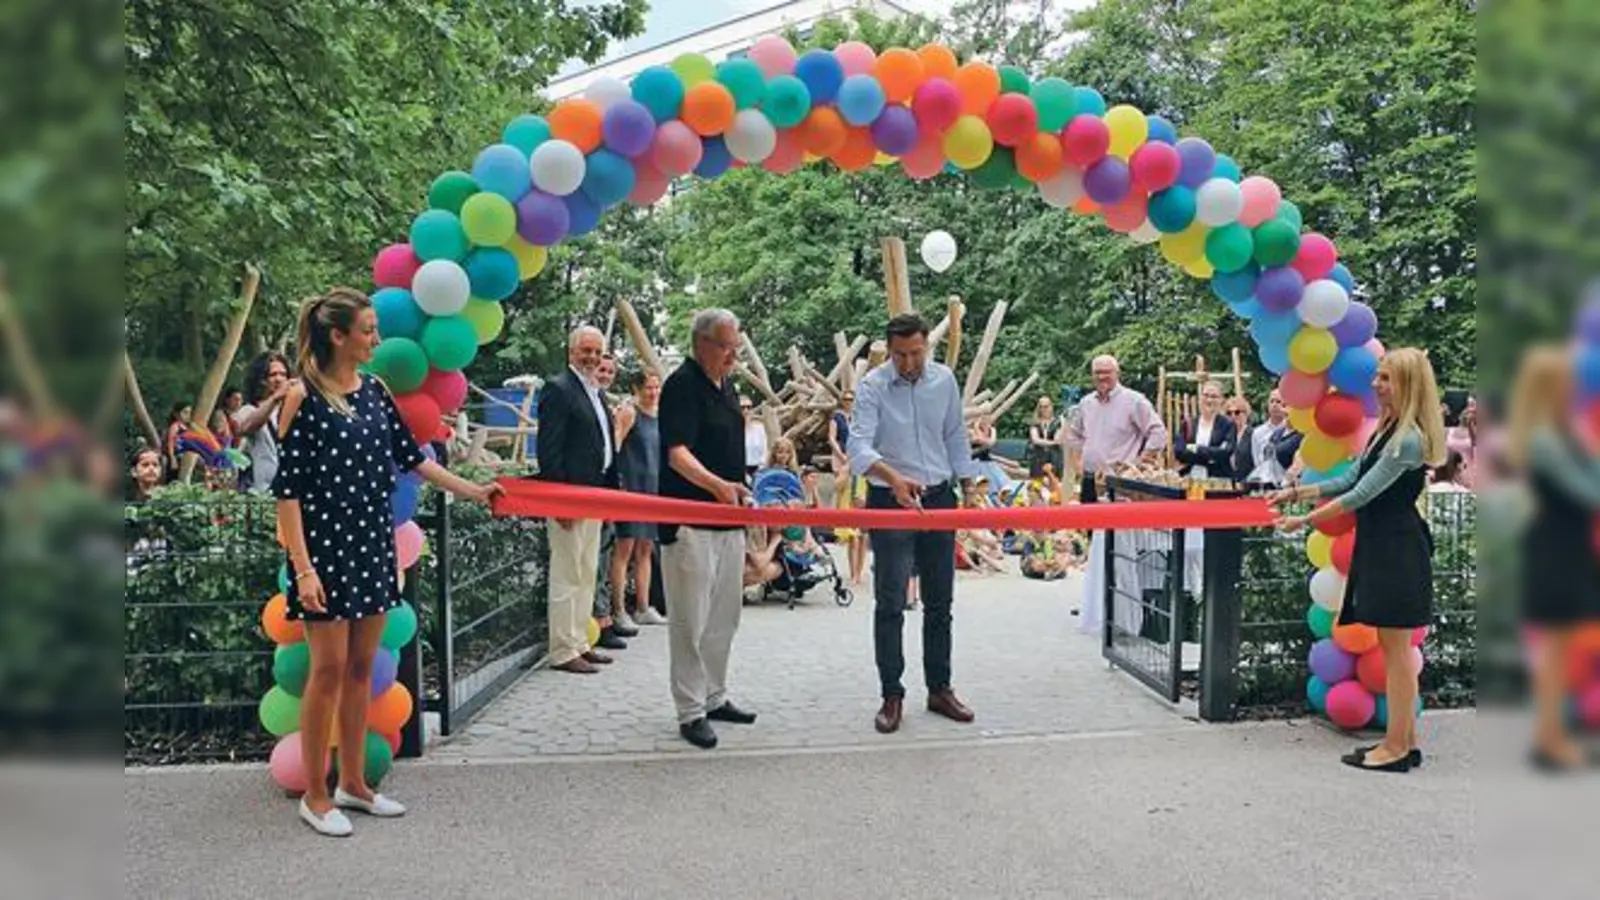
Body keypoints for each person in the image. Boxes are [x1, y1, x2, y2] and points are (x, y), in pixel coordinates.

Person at [271, 288, 500, 837]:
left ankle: (354, 782)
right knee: (324, 673)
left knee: (359, 670)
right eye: (369, 330)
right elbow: (287, 494)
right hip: (325, 554)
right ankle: (317, 795)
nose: (377, 339)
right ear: (337, 335)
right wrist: (303, 569)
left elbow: (413, 459)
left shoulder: (374, 390)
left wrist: (472, 490)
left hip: (373, 547)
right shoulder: (302, 398)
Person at [1269, 347, 1445, 773]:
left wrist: (1302, 520)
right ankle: (1403, 740)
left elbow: (1361, 495)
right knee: (1393, 649)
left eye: (1384, 378)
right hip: (1383, 542)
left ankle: (1397, 748)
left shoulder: (1407, 438)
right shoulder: (1388, 430)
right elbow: (1352, 477)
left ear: (1406, 384)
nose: (1374, 383)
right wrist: (1297, 492)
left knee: (1397, 652)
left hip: (1397, 546)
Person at [849, 313, 980, 735]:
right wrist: (892, 478)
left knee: (941, 602)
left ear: (928, 347)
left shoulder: (944, 381)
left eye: (916, 353)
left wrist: (969, 486)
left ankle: (939, 687)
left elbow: (955, 434)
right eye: (901, 355)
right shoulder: (871, 387)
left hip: (940, 497)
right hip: (890, 499)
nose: (909, 363)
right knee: (890, 602)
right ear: (889, 351)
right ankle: (892, 693)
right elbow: (858, 448)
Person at [658, 309, 757, 750]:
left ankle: (715, 695)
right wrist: (717, 486)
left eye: (736, 347)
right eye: (725, 347)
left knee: (724, 617)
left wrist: (740, 490)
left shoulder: (727, 385)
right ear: (701, 344)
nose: (732, 356)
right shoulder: (681, 385)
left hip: (729, 521)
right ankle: (690, 710)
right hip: (690, 522)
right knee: (689, 619)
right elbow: (676, 453)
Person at [1504, 347, 1600, 770]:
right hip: (1556, 548)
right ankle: (1549, 739)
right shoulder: (1545, 439)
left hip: (1568, 544)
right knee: (1557, 646)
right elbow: (1590, 491)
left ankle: (1550, 736)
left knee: (1559, 645)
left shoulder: (1559, 433)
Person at [536, 326, 620, 675]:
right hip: (569, 498)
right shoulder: (559, 389)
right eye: (585, 350)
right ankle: (562, 649)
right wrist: (559, 503)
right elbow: (549, 451)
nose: (591, 357)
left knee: (587, 572)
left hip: (595, 496)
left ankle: (582, 641)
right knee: (567, 574)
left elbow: (604, 445)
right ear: (571, 352)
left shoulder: (596, 392)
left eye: (597, 352)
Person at [1063, 355, 1168, 503]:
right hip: (1090, 481)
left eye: (1107, 372)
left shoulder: (1134, 401)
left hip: (1121, 484)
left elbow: (1158, 432)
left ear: (1117, 374)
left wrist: (1140, 462)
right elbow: (1073, 435)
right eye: (1097, 372)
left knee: (1117, 525)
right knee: (1089, 524)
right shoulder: (1086, 403)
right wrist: (1079, 463)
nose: (1102, 376)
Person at [611, 369, 667, 628]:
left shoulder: (660, 415)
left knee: (646, 548)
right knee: (625, 549)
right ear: (636, 389)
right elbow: (615, 446)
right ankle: (619, 609)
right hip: (631, 489)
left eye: (657, 387)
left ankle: (644, 607)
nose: (654, 393)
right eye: (648, 388)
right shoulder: (629, 412)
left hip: (653, 490)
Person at [589, 353, 635, 648]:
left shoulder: (603, 401)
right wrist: (622, 428)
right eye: (601, 369)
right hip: (590, 494)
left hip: (607, 492)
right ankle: (599, 620)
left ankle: (603, 617)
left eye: (610, 371)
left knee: (603, 558)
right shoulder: (595, 403)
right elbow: (608, 447)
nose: (605, 375)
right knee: (594, 563)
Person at [233, 352, 294, 492]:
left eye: (283, 374)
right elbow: (246, 427)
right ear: (261, 379)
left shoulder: (294, 409)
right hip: (265, 493)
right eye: (273, 375)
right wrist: (275, 398)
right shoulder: (249, 410)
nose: (279, 379)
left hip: (295, 489)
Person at [1233, 389, 1302, 490]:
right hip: (1268, 484)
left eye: (1280, 403)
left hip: (1291, 486)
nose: (1276, 405)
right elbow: (1259, 461)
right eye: (1272, 401)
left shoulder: (1301, 434)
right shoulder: (1271, 434)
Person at [1173, 380, 1237, 482]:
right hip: (1189, 479)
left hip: (1218, 481)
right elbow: (1179, 452)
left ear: (1221, 400)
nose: (1209, 400)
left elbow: (1225, 452)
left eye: (1214, 396)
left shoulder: (1228, 425)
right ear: (1200, 398)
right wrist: (1210, 457)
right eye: (1206, 395)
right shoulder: (1187, 423)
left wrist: (1196, 449)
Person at [1027, 397, 1064, 479]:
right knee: (1037, 485)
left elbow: (1058, 439)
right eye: (1041, 406)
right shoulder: (1035, 422)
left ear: (1051, 406)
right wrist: (1053, 443)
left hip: (1054, 457)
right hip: (1038, 458)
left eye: (1046, 406)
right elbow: (1035, 440)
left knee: (1055, 484)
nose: (1044, 409)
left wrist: (1063, 423)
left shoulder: (1058, 421)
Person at [742, 397, 767, 482]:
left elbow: (765, 451)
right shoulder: (732, 431)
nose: (746, 411)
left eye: (749, 407)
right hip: (740, 470)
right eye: (742, 408)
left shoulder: (760, 428)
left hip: (759, 470)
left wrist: (760, 470)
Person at [163, 402, 191, 475]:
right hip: (176, 455)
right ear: (176, 414)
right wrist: (172, 458)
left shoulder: (187, 427)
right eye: (185, 412)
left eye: (189, 413)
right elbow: (170, 443)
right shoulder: (175, 426)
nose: (188, 415)